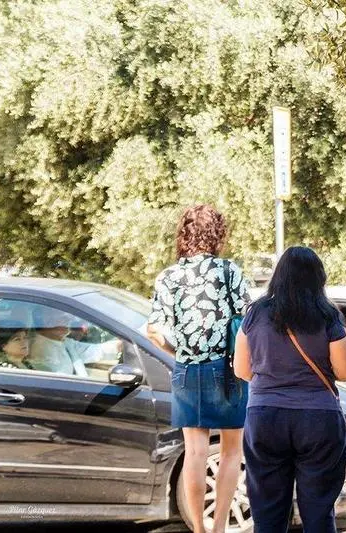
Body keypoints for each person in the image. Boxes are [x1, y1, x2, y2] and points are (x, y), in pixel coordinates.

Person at [233, 246, 346, 533]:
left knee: (267, 514)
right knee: (318, 513)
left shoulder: (256, 313)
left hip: (265, 418)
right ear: (318, 278)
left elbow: (241, 369)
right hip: (318, 420)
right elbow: (345, 371)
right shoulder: (327, 315)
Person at [147, 204, 251, 533]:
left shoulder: (169, 276)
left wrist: (179, 350)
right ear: (217, 233)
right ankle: (219, 526)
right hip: (228, 369)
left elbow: (154, 329)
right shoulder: (229, 271)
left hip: (187, 370)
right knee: (232, 451)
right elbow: (249, 320)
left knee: (195, 452)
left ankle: (199, 530)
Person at [29, 308, 120, 376]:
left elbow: (94, 350)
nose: (69, 321)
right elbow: (57, 381)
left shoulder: (65, 342)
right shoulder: (38, 349)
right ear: (47, 322)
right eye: (63, 318)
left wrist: (122, 344)